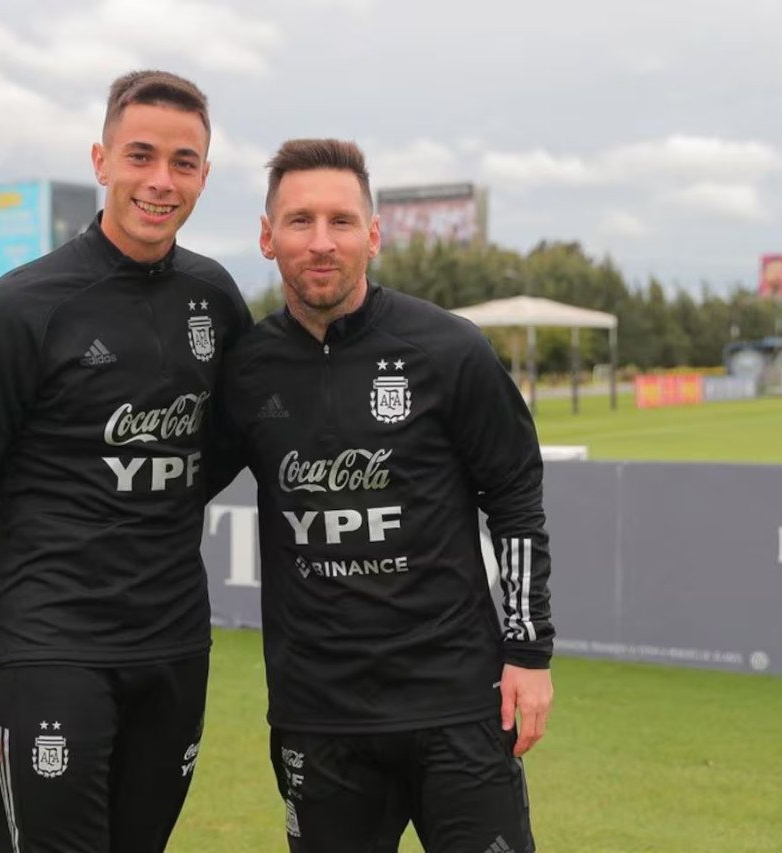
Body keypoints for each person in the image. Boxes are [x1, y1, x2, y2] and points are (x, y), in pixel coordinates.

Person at [0, 69, 253, 852]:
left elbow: (237, 438)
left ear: (203, 175)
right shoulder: (22, 309)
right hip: (50, 649)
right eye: (141, 155)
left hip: (173, 648)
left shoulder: (214, 297)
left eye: (184, 161)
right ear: (101, 161)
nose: (161, 181)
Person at [213, 139, 555, 852]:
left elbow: (515, 494)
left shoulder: (449, 350)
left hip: (458, 703)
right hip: (320, 717)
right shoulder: (246, 371)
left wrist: (528, 650)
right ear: (267, 236)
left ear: (374, 234)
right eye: (300, 221)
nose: (321, 242)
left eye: (341, 221)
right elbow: (166, 496)